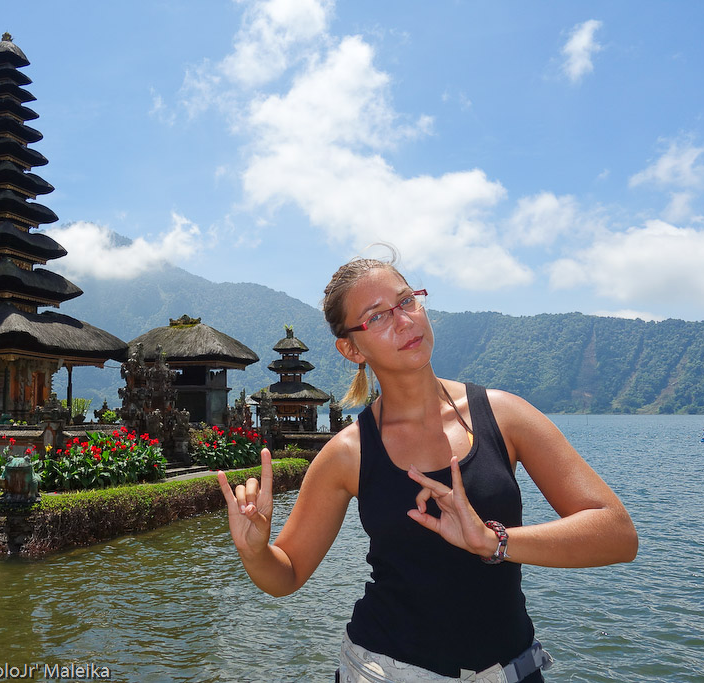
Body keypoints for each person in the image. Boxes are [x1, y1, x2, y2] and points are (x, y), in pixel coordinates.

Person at [218, 255, 638, 683]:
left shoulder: (505, 415)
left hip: (509, 671)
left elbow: (618, 535)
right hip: (384, 670)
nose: (404, 321)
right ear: (352, 349)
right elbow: (287, 573)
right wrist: (255, 551)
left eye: (406, 301)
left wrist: (493, 541)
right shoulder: (348, 452)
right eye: (377, 316)